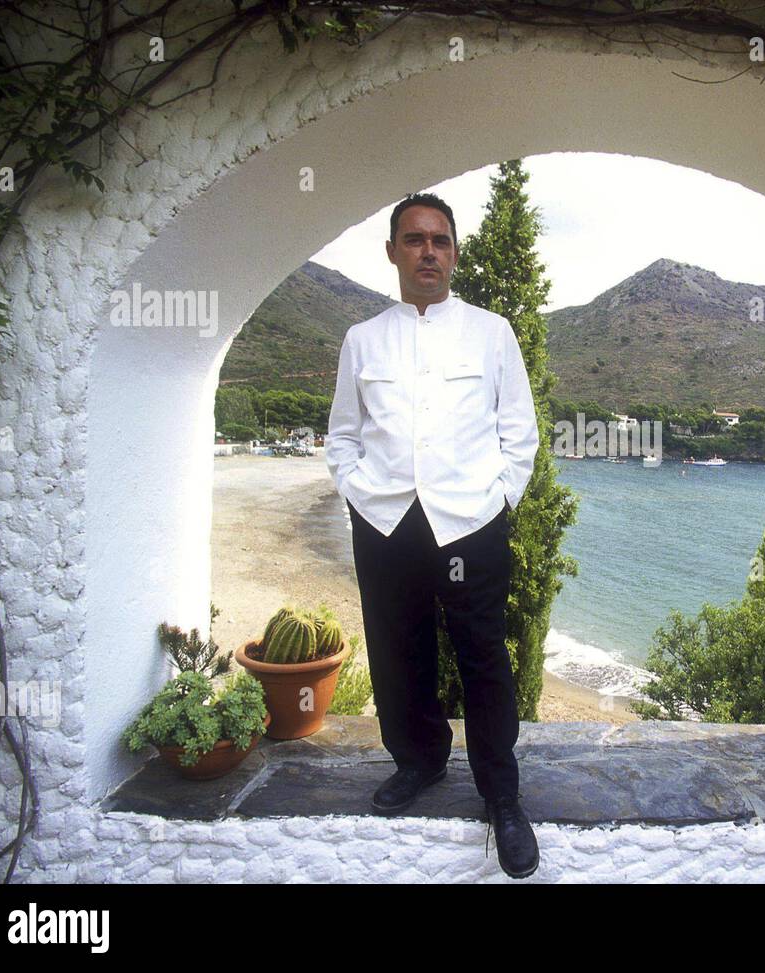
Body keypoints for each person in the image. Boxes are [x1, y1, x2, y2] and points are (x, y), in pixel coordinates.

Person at [324, 191, 541, 879]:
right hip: (386, 521)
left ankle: (501, 794)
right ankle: (417, 761)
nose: (427, 251)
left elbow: (520, 433)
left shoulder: (491, 331)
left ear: (454, 252)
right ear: (392, 252)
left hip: (470, 522)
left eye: (439, 240)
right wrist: (359, 496)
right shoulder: (363, 340)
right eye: (413, 239)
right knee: (397, 650)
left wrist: (499, 499)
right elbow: (341, 437)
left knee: (483, 654)